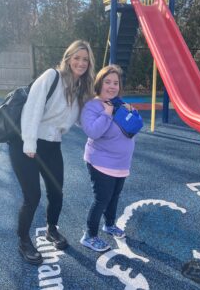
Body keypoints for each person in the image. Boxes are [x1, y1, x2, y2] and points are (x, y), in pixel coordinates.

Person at [9, 40, 95, 264]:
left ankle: (51, 229)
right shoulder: (51, 76)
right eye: (77, 57)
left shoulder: (80, 88)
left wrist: (106, 114)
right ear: (68, 58)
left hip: (52, 144)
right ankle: (23, 241)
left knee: (57, 192)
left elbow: (80, 121)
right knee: (32, 197)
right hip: (25, 143)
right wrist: (29, 143)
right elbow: (33, 108)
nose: (81, 62)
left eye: (85, 59)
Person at [80, 65, 136, 252]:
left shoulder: (120, 104)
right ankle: (89, 235)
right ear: (99, 83)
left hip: (121, 163)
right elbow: (93, 132)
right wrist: (106, 113)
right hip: (101, 162)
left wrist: (132, 112)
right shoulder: (92, 106)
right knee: (101, 199)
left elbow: (132, 128)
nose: (112, 86)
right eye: (107, 82)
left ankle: (109, 224)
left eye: (116, 83)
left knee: (114, 196)